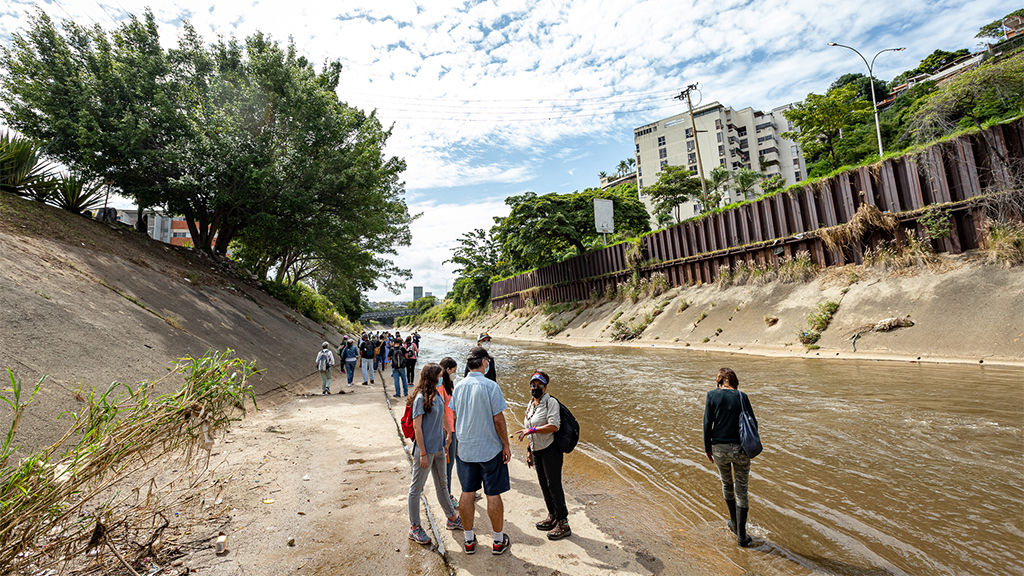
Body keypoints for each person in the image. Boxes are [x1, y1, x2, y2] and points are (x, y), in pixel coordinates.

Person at [449, 347, 511, 555]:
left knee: (467, 492)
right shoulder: (491, 387)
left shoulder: (458, 387)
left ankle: (468, 540)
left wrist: (458, 441)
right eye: (488, 361)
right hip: (489, 450)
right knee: (492, 494)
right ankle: (497, 541)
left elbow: (455, 418)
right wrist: (506, 445)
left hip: (466, 449)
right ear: (485, 362)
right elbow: (498, 420)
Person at [406, 364, 463, 545]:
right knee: (416, 489)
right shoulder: (420, 399)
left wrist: (447, 435)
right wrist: (422, 453)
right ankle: (414, 527)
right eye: (439, 375)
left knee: (442, 485)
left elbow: (443, 418)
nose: (442, 377)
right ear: (432, 377)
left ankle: (452, 518)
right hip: (425, 451)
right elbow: (417, 428)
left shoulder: (436, 394)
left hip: (439, 448)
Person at [704, 367, 758, 547]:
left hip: (719, 448)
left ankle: (733, 524)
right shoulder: (742, 397)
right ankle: (742, 536)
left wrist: (707, 448)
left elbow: (707, 424)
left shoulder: (712, 395)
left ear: (719, 381)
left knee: (727, 483)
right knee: (742, 489)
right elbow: (753, 423)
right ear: (734, 381)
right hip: (741, 449)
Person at [515, 371, 570, 540]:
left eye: (539, 385)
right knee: (543, 484)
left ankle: (563, 523)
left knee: (554, 485)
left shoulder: (550, 402)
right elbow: (529, 425)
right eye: (533, 384)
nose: (535, 388)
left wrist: (530, 431)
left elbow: (554, 425)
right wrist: (529, 451)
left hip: (550, 449)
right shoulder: (531, 403)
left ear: (545, 387)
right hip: (536, 449)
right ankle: (552, 515)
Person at [437, 357, 459, 508]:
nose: (455, 374)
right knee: (447, 467)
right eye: (454, 371)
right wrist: (447, 433)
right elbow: (441, 412)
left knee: (451, 465)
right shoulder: (441, 387)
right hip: (447, 431)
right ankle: (448, 496)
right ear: (447, 370)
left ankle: (448, 494)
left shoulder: (449, 385)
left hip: (453, 429)